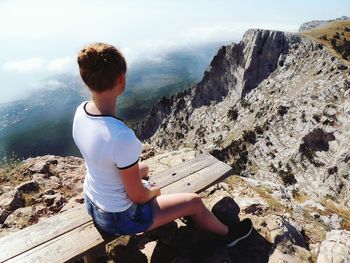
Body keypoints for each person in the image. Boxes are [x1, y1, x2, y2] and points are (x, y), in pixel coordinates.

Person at [72, 42, 252, 247]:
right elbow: (138, 196)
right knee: (194, 202)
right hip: (118, 218)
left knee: (145, 168)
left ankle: (174, 210)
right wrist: (153, 192)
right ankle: (229, 236)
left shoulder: (81, 111)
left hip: (92, 200)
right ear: (121, 79)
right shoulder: (121, 137)